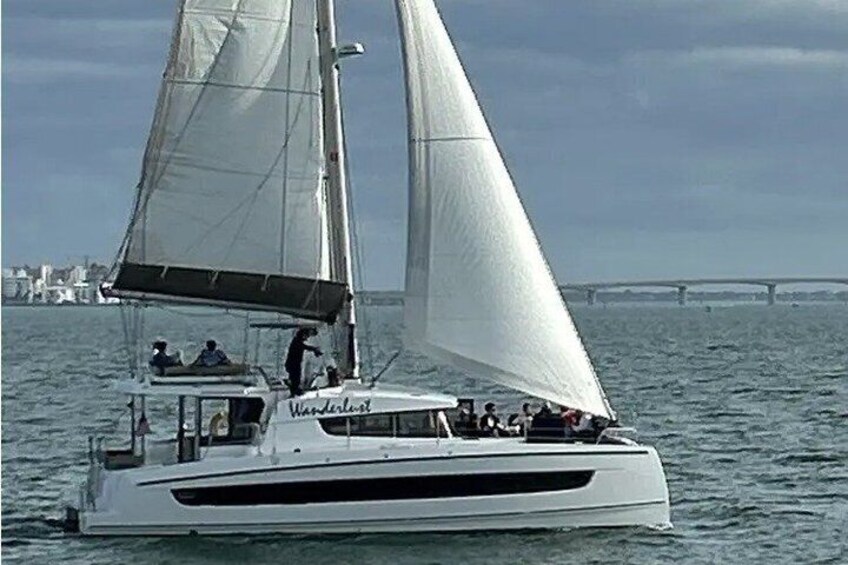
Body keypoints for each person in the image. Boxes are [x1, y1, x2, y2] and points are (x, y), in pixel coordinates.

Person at [285, 327, 322, 396]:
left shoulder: (296, 341)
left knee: (296, 378)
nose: (306, 338)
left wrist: (314, 349)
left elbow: (304, 346)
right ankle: (294, 391)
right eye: (306, 336)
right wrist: (314, 349)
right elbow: (304, 347)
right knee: (295, 378)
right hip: (293, 364)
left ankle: (295, 390)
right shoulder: (297, 342)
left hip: (294, 364)